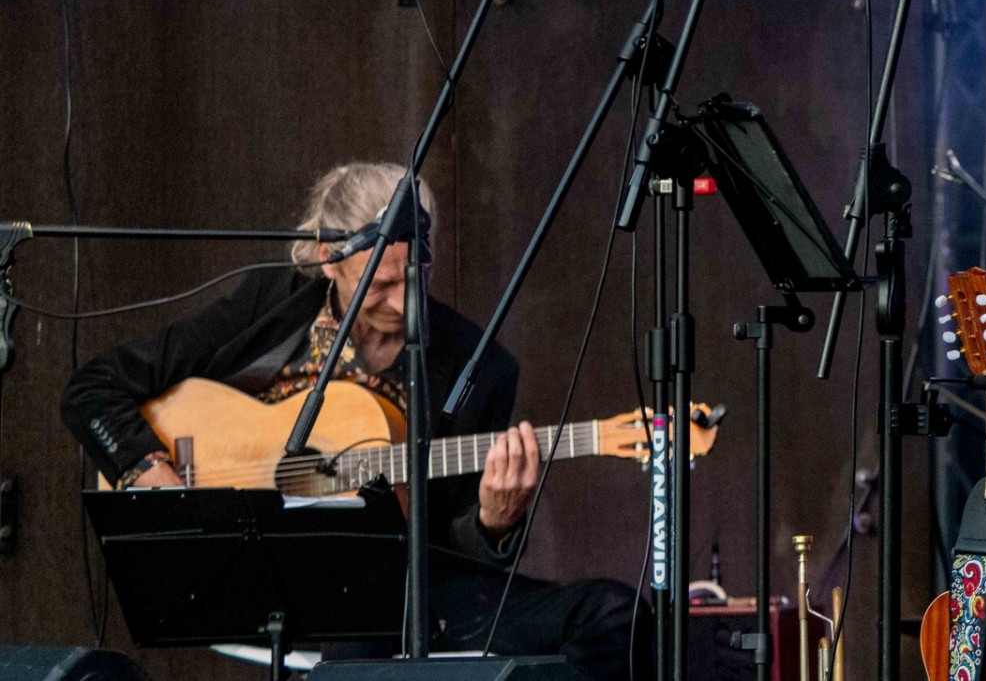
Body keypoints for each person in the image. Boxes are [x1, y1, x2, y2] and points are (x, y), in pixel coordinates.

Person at [61, 162, 647, 681]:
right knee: (358, 644)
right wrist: (154, 476)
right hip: (260, 579)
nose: (399, 302)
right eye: (380, 284)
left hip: (402, 594)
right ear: (327, 256)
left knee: (614, 617)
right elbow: (93, 391)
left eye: (412, 278)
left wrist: (493, 523)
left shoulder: (479, 366)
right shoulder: (268, 305)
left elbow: (452, 547)